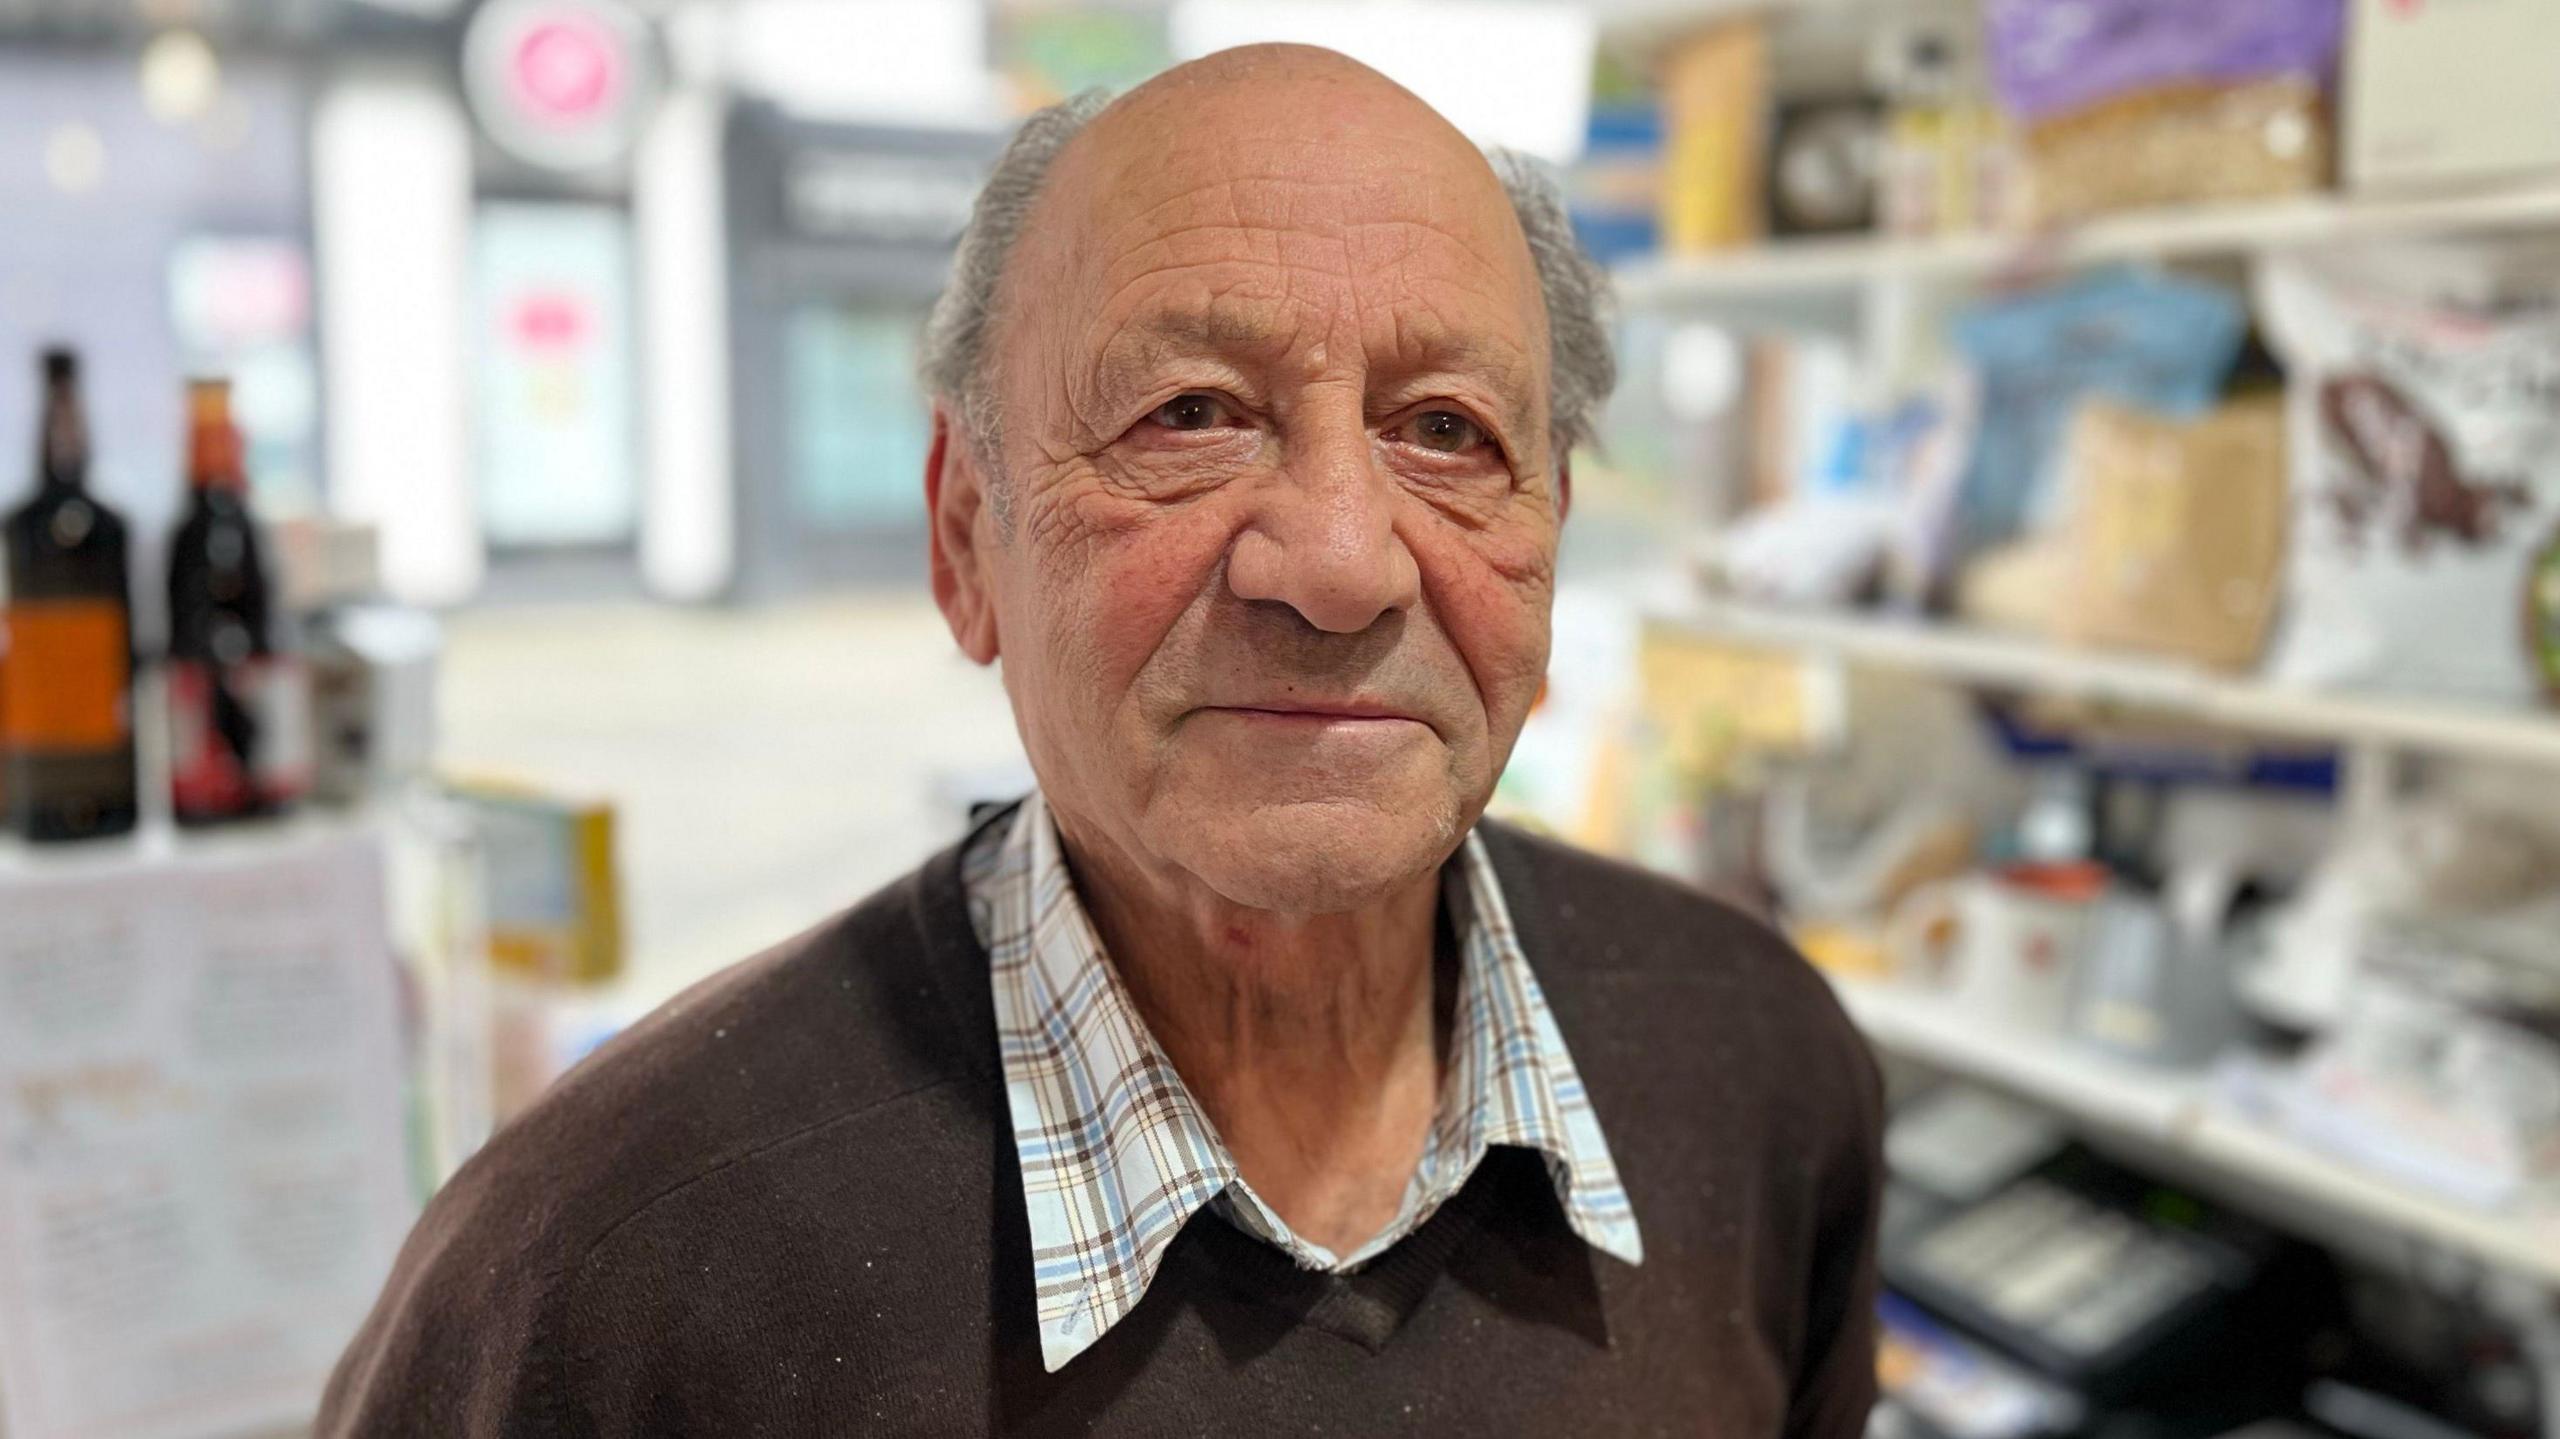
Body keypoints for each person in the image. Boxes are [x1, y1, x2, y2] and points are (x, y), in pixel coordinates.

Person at [320, 43, 1882, 1437]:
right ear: (964, 538)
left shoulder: (1757, 1078)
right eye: (1191, 413)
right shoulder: (610, 1270)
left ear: (1549, 532)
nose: (1342, 560)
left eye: (1448, 431)